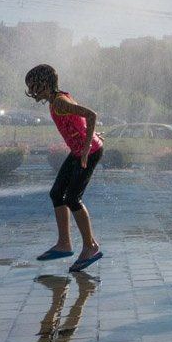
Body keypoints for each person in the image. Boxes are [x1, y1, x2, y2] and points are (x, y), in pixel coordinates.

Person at [26, 64, 105, 273]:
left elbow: (91, 115)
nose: (31, 90)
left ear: (45, 83)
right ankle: (64, 244)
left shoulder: (60, 101)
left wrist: (88, 146)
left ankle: (91, 247)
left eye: (33, 85)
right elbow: (80, 122)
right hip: (79, 151)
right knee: (57, 193)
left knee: (72, 198)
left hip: (88, 152)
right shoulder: (56, 100)